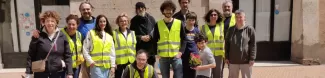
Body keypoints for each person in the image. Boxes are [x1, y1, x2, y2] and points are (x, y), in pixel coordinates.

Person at [25, 11, 73, 78]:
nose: (50, 23)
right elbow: (31, 55)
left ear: (56, 22)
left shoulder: (62, 36)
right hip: (41, 74)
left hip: (58, 74)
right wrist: (29, 72)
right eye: (47, 21)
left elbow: (68, 55)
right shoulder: (37, 36)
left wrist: (69, 73)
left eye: (52, 21)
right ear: (44, 22)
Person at [152, 1, 187, 78]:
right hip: (163, 57)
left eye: (170, 10)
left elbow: (184, 39)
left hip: (176, 56)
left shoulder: (179, 23)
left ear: (173, 11)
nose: (168, 11)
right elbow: (154, 40)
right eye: (166, 10)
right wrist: (156, 53)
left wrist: (181, 52)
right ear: (163, 11)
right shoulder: (158, 24)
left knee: (178, 76)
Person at [225, 10, 256, 78]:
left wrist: (252, 58)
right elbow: (227, 44)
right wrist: (226, 57)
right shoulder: (231, 30)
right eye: (237, 17)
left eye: (240, 17)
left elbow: (253, 45)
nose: (238, 19)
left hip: (246, 61)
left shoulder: (250, 29)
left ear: (244, 18)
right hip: (233, 61)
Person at [130, 2, 157, 66]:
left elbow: (156, 31)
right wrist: (141, 37)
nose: (140, 9)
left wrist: (150, 36)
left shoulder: (151, 19)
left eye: (142, 7)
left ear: (145, 9)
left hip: (150, 50)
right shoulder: (134, 20)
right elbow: (131, 35)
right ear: (136, 10)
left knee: (150, 70)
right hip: (140, 49)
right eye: (138, 8)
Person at [200, 9, 224, 78]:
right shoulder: (203, 28)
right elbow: (200, 42)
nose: (213, 16)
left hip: (218, 55)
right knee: (207, 74)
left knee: (218, 75)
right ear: (208, 16)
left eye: (215, 15)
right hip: (207, 54)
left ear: (218, 16)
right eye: (211, 15)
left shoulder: (221, 27)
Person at [113, 13, 137, 78]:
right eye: (121, 21)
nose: (123, 22)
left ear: (128, 22)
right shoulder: (114, 33)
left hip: (131, 60)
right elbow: (111, 49)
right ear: (118, 23)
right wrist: (113, 62)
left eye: (125, 21)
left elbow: (135, 47)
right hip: (119, 61)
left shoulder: (132, 33)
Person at [182, 12, 200, 78]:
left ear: (195, 21)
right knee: (185, 73)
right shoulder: (182, 30)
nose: (191, 22)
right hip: (184, 55)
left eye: (193, 20)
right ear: (186, 20)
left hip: (195, 55)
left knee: (194, 74)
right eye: (189, 20)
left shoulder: (197, 30)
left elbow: (199, 42)